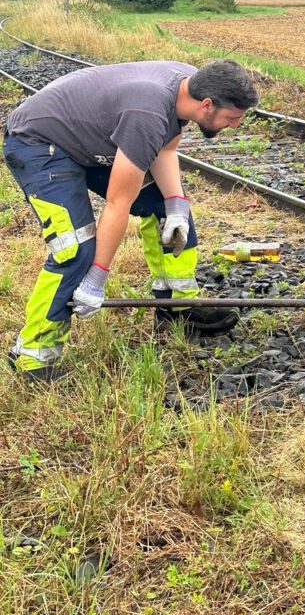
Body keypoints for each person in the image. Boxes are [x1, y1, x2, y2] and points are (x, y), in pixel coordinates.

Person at [3, 58, 259, 381]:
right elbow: (117, 203)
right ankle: (33, 357)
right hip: (38, 144)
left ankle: (177, 309)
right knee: (75, 249)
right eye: (232, 118)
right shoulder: (147, 114)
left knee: (170, 205)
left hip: (89, 139)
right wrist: (96, 279)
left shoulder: (190, 87)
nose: (234, 125)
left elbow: (164, 150)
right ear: (207, 105)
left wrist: (177, 205)